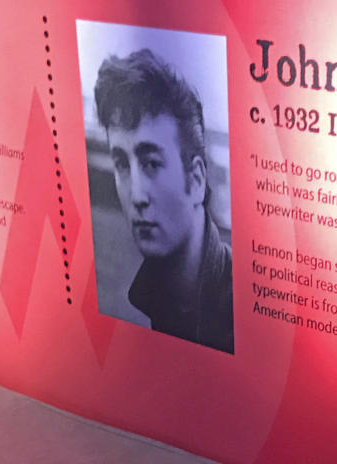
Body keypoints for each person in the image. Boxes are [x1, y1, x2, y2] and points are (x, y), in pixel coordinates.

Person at [94, 49, 233, 353]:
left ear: (196, 180)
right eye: (122, 164)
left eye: (152, 163)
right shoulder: (158, 296)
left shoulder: (238, 302)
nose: (137, 196)